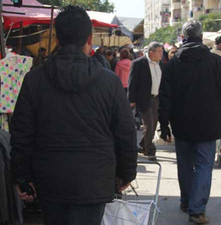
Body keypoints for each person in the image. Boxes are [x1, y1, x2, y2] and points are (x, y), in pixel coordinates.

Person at [10, 6, 137, 225]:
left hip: (50, 181)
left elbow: (21, 133)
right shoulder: (109, 82)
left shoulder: (35, 80)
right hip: (94, 180)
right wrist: (126, 173)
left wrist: (22, 177)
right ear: (89, 39)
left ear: (57, 39)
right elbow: (125, 132)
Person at [158, 20, 221, 224]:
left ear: (183, 38)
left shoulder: (172, 64)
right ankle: (197, 209)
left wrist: (164, 125)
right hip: (209, 123)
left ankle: (187, 201)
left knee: (185, 164)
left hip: (181, 123)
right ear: (201, 37)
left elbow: (165, 97)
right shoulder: (216, 63)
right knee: (203, 165)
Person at [128, 42, 164, 161]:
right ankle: (149, 150)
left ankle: (143, 145)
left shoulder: (160, 65)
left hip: (155, 98)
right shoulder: (139, 63)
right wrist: (131, 100)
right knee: (149, 125)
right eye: (159, 51)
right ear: (151, 52)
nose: (161, 54)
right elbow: (132, 83)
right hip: (144, 98)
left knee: (154, 123)